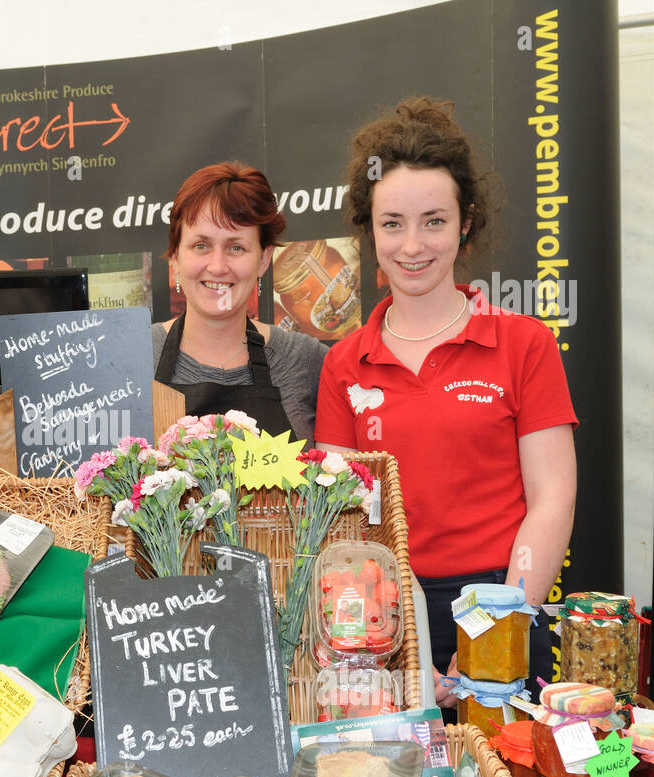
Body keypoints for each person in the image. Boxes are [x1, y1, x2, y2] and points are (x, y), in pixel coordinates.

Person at [313, 98, 578, 705]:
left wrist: (494, 628)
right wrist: (391, 636)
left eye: (434, 221)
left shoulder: (522, 343)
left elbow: (552, 500)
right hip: (378, 620)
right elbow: (342, 524)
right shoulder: (342, 363)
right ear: (369, 230)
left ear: (466, 224)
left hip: (507, 600)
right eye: (392, 223)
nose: (413, 245)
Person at [153, 161, 327, 438]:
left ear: (263, 259)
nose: (218, 266)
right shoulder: (133, 358)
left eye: (236, 247)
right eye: (201, 246)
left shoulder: (308, 362)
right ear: (175, 257)